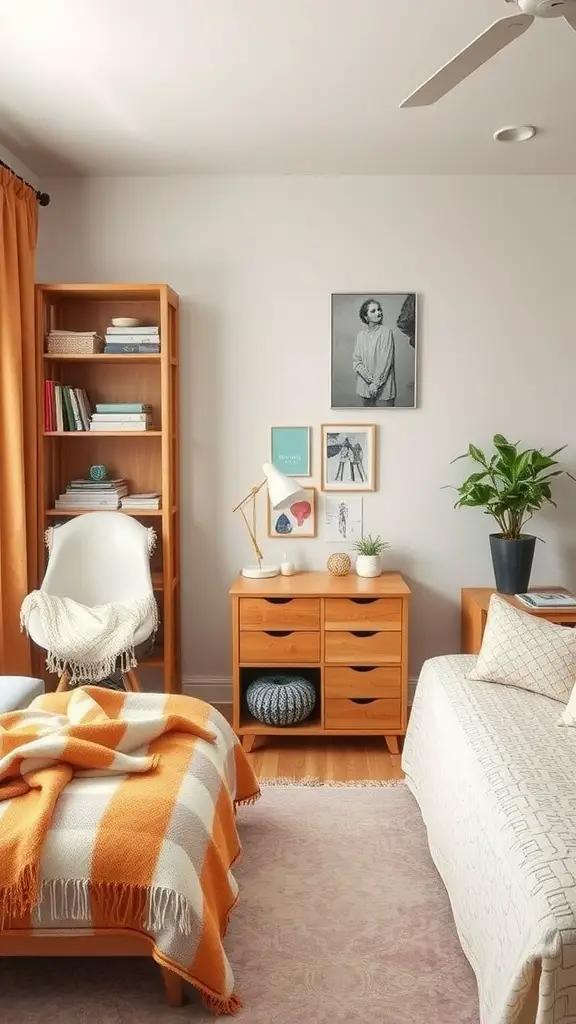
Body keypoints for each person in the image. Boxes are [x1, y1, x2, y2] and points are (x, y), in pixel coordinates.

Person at [352, 299, 396, 407]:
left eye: (379, 309)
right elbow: (357, 361)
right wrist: (370, 381)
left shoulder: (386, 332)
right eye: (373, 311)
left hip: (383, 389)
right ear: (366, 317)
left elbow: (385, 360)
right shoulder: (360, 335)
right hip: (364, 388)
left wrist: (376, 384)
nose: (378, 312)